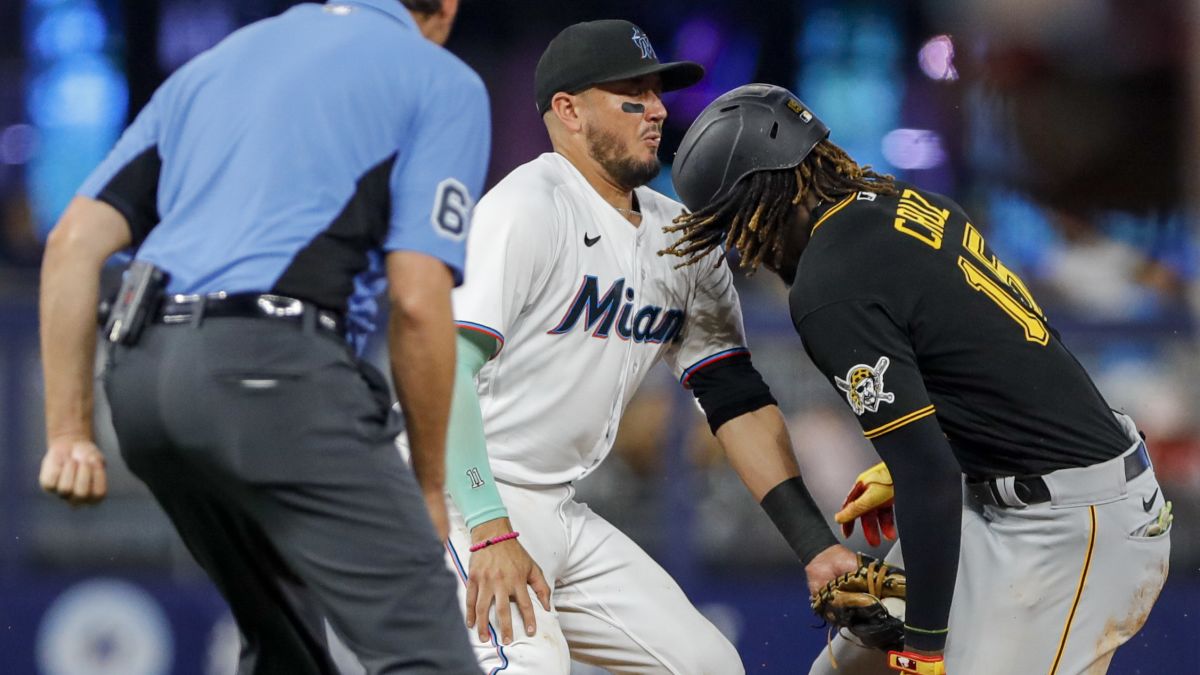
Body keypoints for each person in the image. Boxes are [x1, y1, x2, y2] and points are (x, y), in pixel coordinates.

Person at [395, 20, 857, 675]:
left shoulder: (679, 235)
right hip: (460, 497)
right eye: (632, 96)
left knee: (709, 665)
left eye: (658, 95)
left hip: (556, 504)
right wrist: (491, 526)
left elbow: (735, 397)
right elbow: (445, 371)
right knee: (530, 666)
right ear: (569, 110)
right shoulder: (527, 206)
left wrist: (813, 544)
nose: (658, 111)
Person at [37, 1, 486, 672]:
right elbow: (419, 301)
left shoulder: (216, 64)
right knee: (427, 655)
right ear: (445, 7)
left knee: (286, 648)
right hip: (273, 373)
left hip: (139, 376)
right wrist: (427, 487)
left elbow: (72, 243)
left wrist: (69, 432)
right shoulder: (439, 78)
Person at [663, 83, 1173, 675]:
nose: (738, 246)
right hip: (1008, 493)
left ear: (760, 200)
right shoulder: (903, 203)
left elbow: (927, 474)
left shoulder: (828, 286)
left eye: (730, 222)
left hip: (1070, 527)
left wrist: (923, 649)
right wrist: (948, 449)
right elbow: (995, 360)